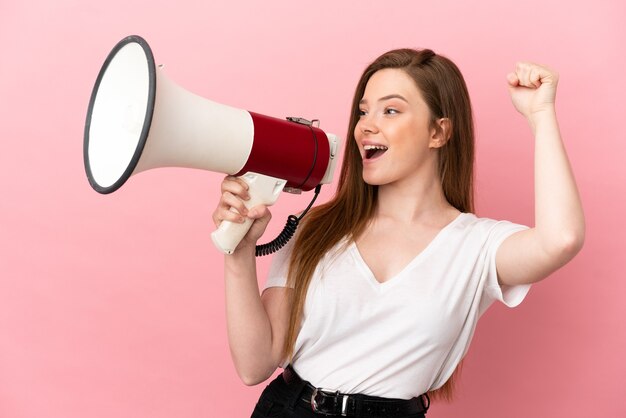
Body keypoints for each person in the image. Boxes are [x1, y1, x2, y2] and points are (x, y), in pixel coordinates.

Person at [212, 48, 585, 418]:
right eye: (363, 111)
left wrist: (541, 116)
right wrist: (240, 252)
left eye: (390, 110)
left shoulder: (477, 247)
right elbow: (254, 365)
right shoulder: (317, 228)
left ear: (438, 132)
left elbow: (561, 239)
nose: (365, 126)